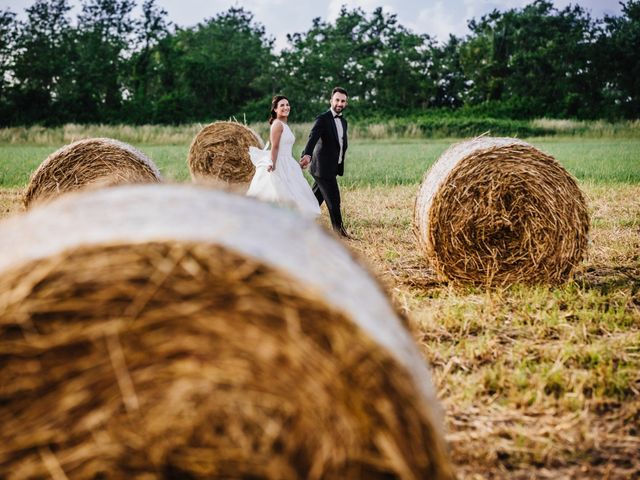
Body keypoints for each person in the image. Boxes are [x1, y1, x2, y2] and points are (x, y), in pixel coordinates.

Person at [247, 95, 321, 217]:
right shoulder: (277, 125)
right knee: (280, 195)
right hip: (278, 162)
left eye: (287, 104)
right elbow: (275, 147)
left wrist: (295, 164)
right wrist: (273, 163)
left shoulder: (284, 125)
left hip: (287, 163)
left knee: (294, 195)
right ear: (275, 109)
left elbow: (285, 148)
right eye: (282, 105)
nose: (286, 107)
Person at [300, 87, 350, 238]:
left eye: (342, 101)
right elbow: (313, 137)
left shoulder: (344, 122)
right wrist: (307, 154)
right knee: (334, 200)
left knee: (314, 201)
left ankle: (297, 224)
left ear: (346, 103)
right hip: (322, 168)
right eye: (337, 100)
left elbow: (340, 144)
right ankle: (339, 234)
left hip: (332, 167)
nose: (339, 103)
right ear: (331, 101)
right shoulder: (323, 119)